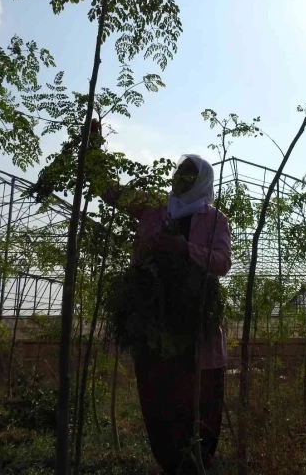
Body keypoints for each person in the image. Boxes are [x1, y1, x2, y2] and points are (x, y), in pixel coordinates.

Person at [101, 154, 231, 474]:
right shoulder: (154, 210)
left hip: (194, 324)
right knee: (159, 396)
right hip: (153, 322)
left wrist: (184, 248)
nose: (180, 178)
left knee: (197, 401)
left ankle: (197, 462)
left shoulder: (214, 219)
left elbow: (222, 262)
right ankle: (170, 463)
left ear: (201, 181)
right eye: (179, 172)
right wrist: (93, 149)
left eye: (189, 174)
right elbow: (110, 191)